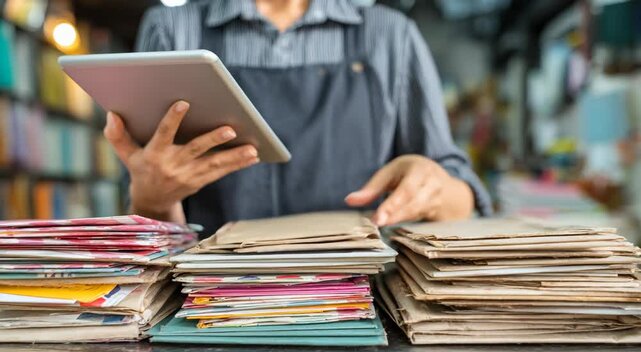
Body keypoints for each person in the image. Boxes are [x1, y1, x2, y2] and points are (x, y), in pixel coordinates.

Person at [103, 0, 493, 235]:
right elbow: (145, 215)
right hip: (213, 305)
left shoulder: (391, 36)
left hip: (358, 301)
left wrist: (434, 187)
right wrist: (152, 196)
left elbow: (463, 200)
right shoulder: (172, 30)